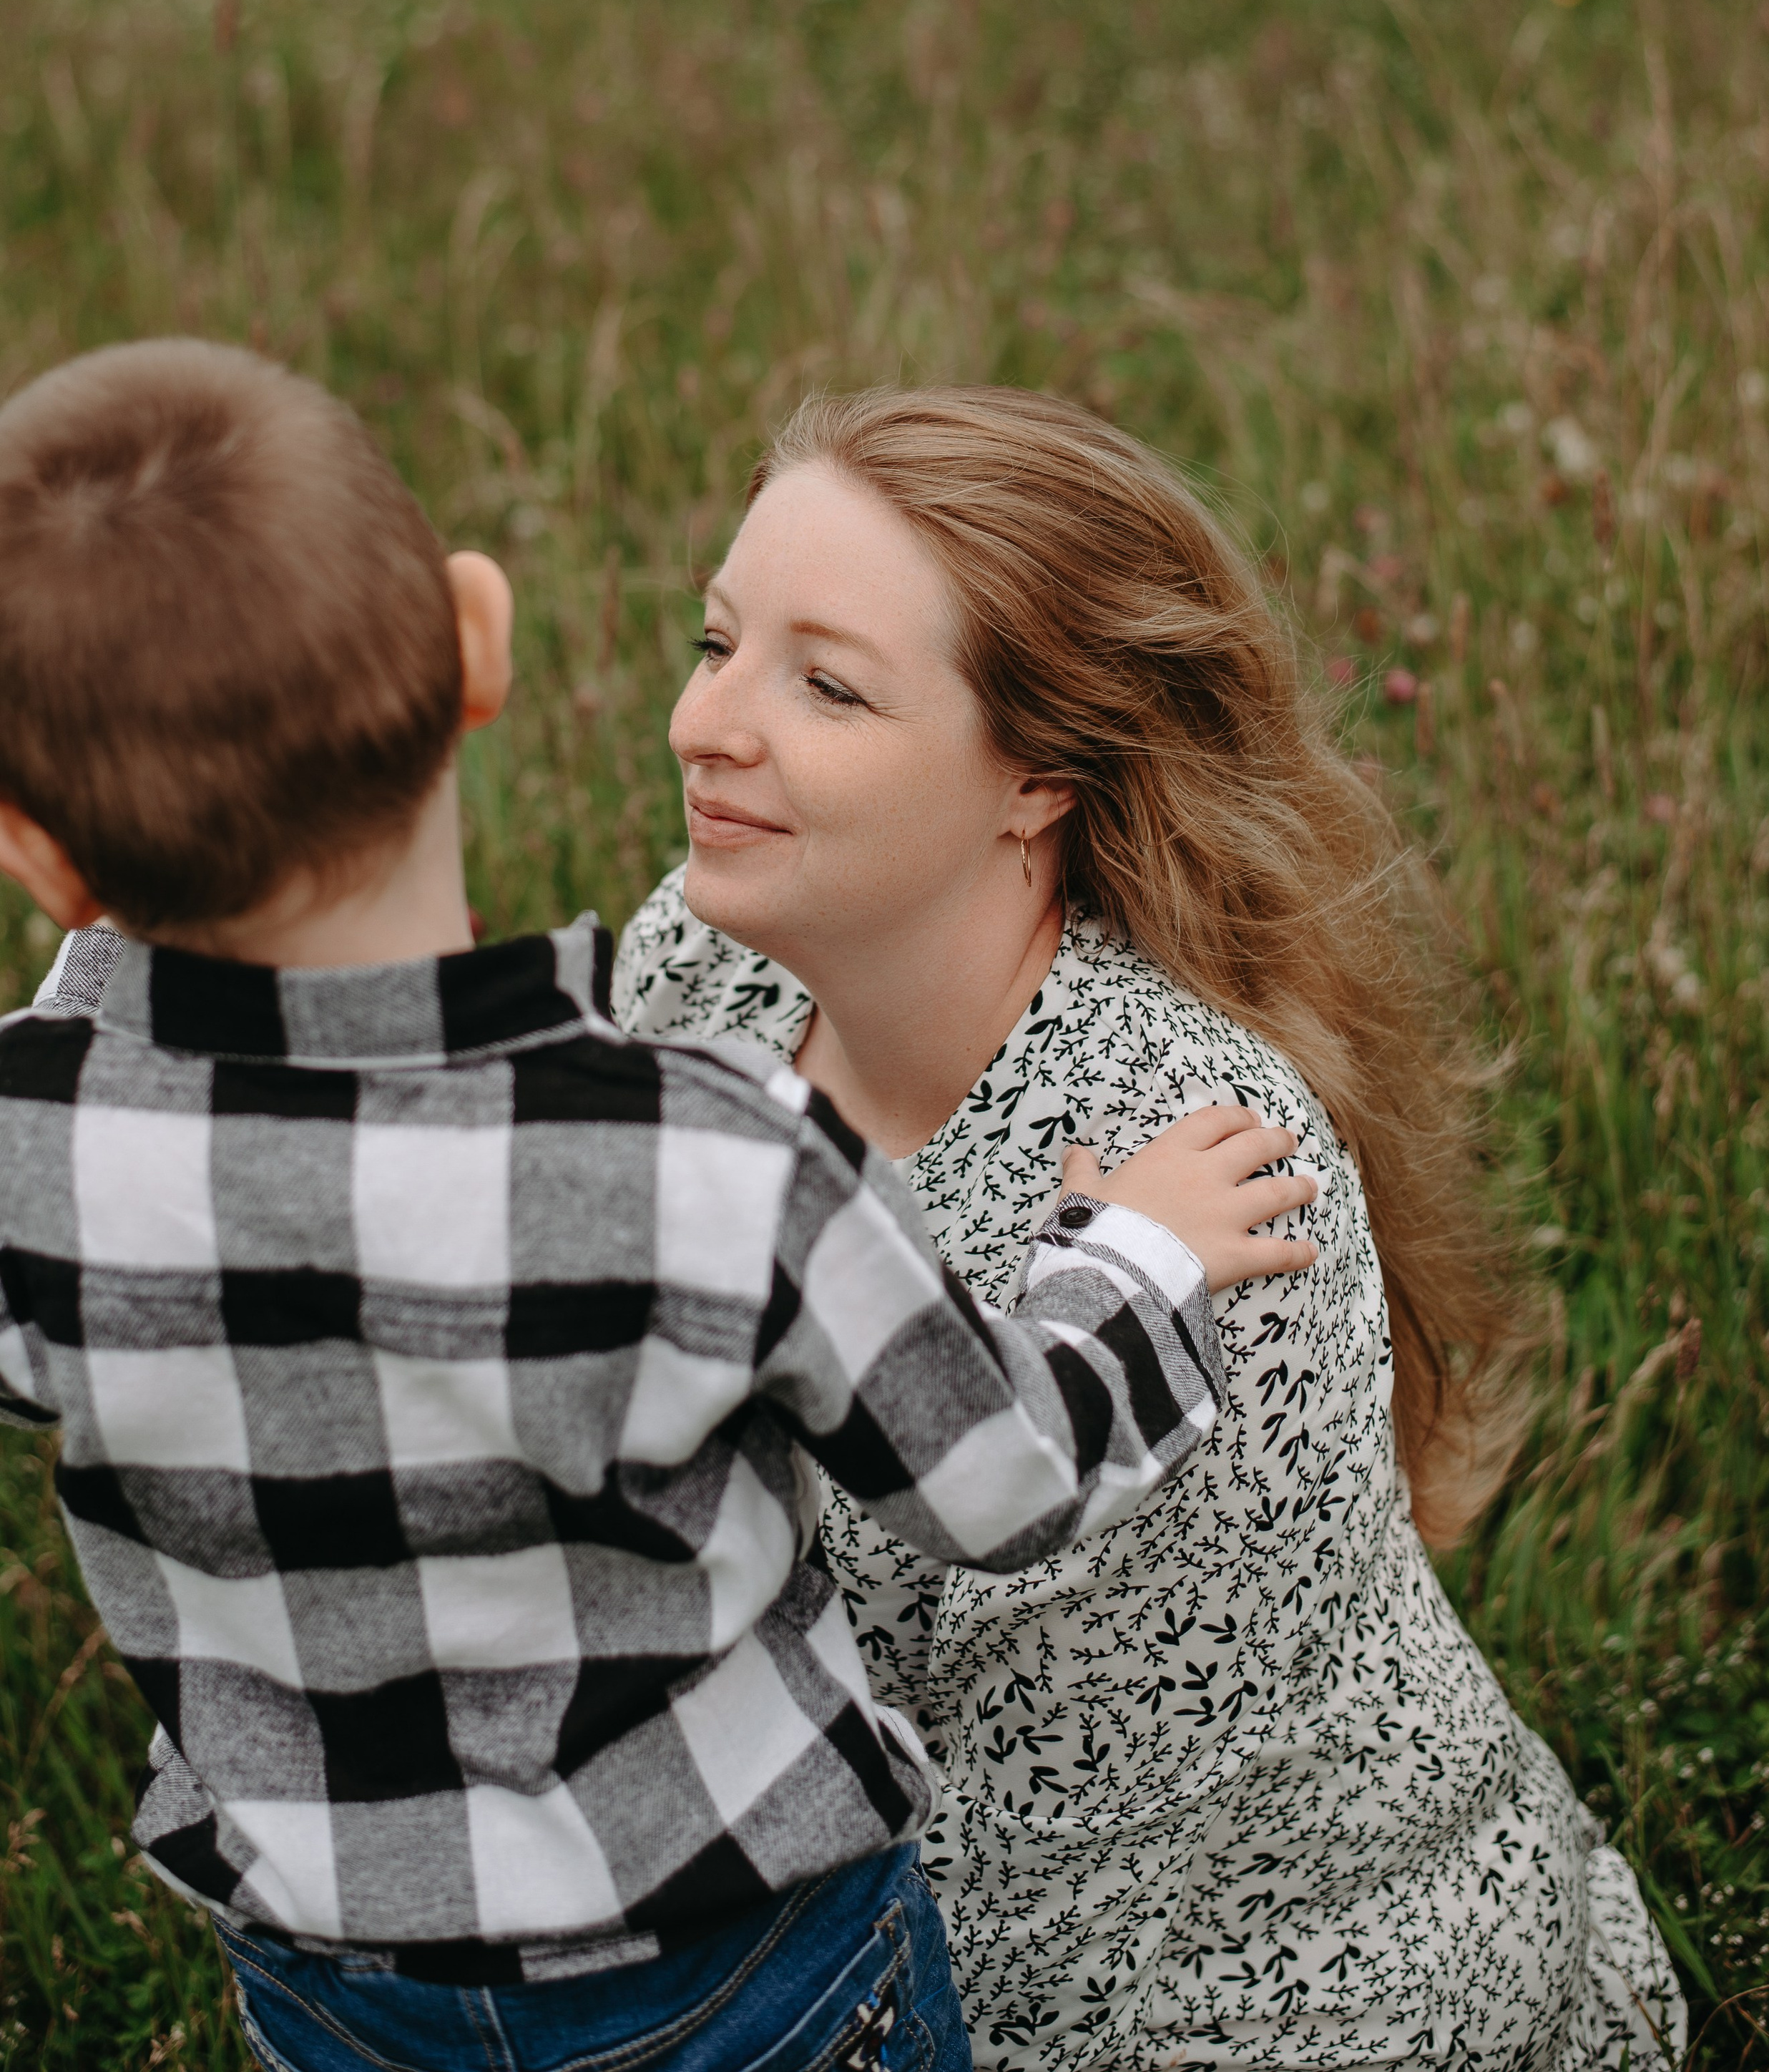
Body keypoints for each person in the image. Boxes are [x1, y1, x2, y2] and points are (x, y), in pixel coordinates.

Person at [0, 342, 1321, 2072]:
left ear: (33, 849)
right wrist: (1133, 1255)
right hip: (737, 1975)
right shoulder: (702, 1154)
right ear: (476, 642)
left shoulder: (32, 1155)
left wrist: (93, 934)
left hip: (334, 1982)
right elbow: (996, 1483)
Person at [612, 383, 1686, 2072]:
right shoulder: (707, 963)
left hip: (1242, 1990)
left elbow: (1052, 1839)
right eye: (714, 641)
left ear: (1033, 776)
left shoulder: (1206, 1195)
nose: (704, 725)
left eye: (823, 686)